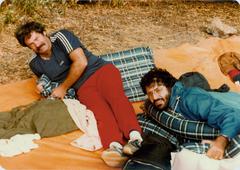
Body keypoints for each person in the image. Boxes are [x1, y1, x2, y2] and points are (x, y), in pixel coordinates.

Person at [15, 21, 142, 167]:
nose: (36, 45)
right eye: (31, 44)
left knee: (116, 99)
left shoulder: (61, 36)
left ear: (44, 33)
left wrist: (63, 88)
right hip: (83, 87)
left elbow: (81, 62)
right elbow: (44, 77)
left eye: (36, 38)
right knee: (100, 114)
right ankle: (114, 146)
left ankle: (135, 138)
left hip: (100, 71)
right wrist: (42, 85)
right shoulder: (34, 63)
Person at [140, 67, 240, 160]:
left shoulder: (190, 98)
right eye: (150, 93)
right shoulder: (167, 104)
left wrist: (221, 142)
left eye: (158, 90)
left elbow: (231, 115)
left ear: (170, 87)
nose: (155, 97)